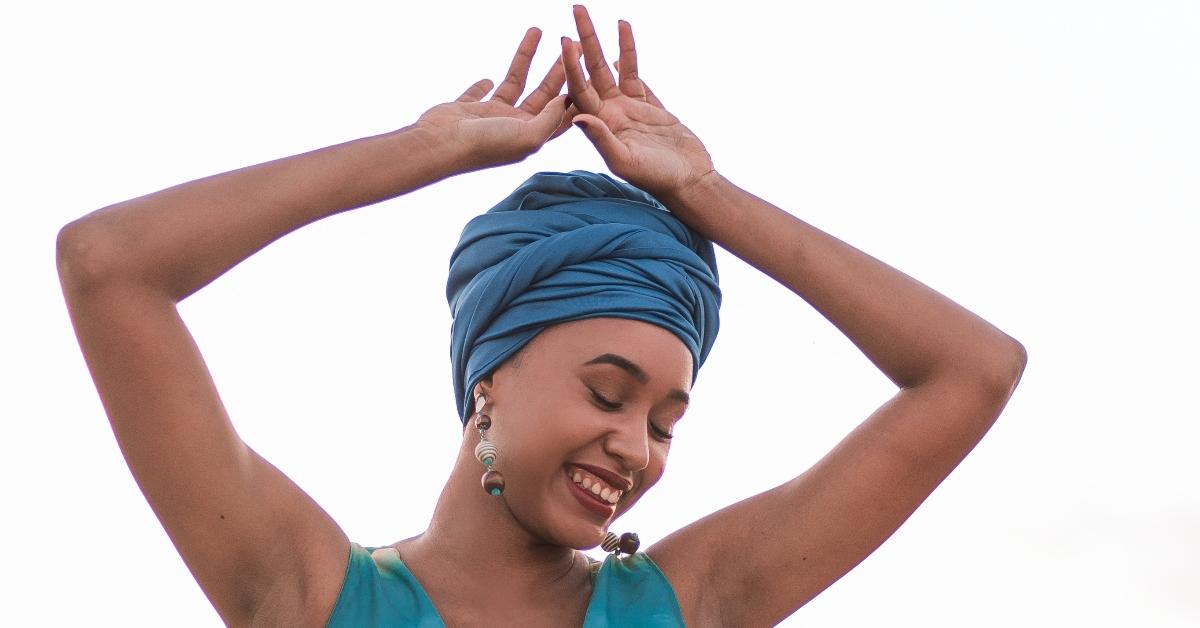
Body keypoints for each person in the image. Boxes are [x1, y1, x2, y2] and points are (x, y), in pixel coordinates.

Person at [55, 4, 1026, 626]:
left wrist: (709, 194)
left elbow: (975, 368)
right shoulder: (311, 596)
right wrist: (416, 151)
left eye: (664, 421)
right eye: (608, 391)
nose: (635, 447)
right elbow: (109, 266)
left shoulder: (686, 604)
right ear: (491, 379)